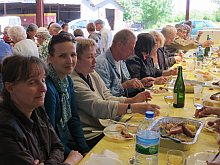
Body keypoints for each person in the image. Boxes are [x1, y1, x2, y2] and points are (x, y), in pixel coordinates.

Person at [72, 38, 160, 147]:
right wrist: (133, 107)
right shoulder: (74, 81)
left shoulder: (91, 73)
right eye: (90, 57)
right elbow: (97, 107)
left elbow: (107, 96)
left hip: (106, 126)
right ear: (75, 59)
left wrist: (132, 100)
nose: (95, 60)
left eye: (95, 55)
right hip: (92, 135)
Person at [0, 55, 83, 165]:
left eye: (43, 80)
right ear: (10, 87)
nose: (43, 88)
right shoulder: (5, 127)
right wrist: (70, 162)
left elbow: (58, 147)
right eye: (32, 82)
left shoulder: (37, 109)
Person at [44, 32, 90, 157]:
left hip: (64, 144)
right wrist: (73, 155)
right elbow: (50, 135)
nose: (70, 61)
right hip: (53, 151)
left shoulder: (67, 80)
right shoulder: (48, 88)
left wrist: (85, 149)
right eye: (62, 56)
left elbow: (73, 118)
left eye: (73, 54)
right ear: (50, 58)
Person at [96, 29, 153, 97]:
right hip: (114, 106)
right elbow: (104, 96)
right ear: (119, 45)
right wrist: (124, 86)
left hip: (122, 102)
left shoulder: (121, 60)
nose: (133, 53)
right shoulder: (101, 64)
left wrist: (141, 83)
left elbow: (127, 82)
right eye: (130, 48)